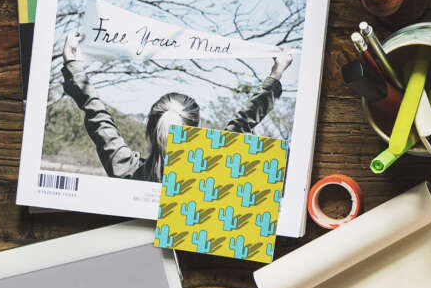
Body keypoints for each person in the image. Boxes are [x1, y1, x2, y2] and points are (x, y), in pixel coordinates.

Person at [58, 35, 287, 182]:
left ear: (150, 129)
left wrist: (73, 63)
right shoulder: (212, 171)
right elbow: (241, 124)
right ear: (195, 128)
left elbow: (98, 117)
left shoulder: (126, 170)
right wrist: (275, 75)